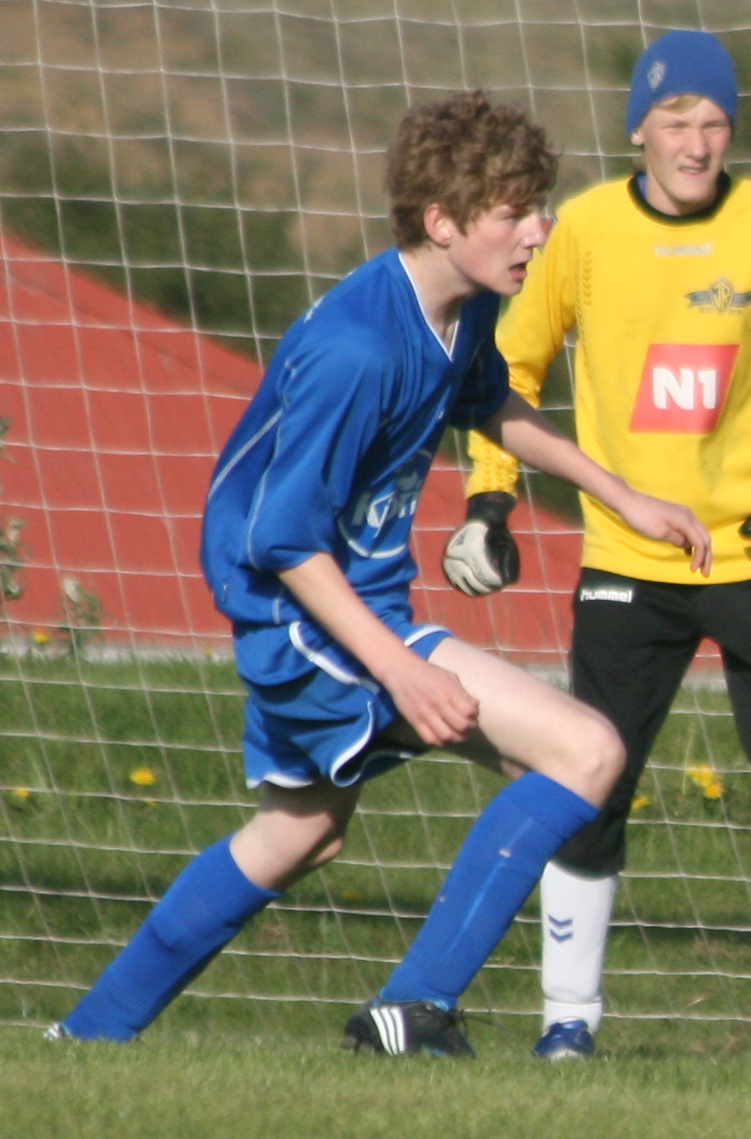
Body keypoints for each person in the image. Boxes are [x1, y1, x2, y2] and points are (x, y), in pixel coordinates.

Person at [54, 92, 713, 1055]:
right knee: (586, 751)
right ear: (442, 222)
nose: (540, 229)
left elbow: (491, 404)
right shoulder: (357, 350)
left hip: (340, 605)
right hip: (305, 614)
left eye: (539, 207)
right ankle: (414, 1009)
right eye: (515, 213)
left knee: (301, 835)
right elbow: (284, 541)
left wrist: (622, 497)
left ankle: (88, 1036)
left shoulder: (463, 307)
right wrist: (401, 668)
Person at [449, 29, 751, 1072]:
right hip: (628, 560)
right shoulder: (580, 232)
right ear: (639, 131)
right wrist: (490, 501)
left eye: (714, 121)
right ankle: (568, 1022)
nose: (696, 141)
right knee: (587, 783)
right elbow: (507, 370)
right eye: (675, 121)